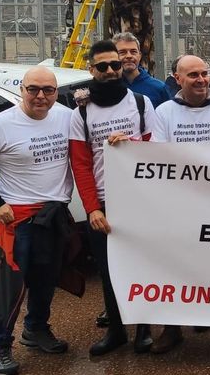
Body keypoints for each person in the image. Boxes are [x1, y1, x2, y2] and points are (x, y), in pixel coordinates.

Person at [0, 66, 73, 375]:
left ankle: (36, 329)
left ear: (56, 92)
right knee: (7, 286)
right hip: (17, 218)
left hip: (52, 215)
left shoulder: (65, 116)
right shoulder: (1, 125)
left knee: (46, 279)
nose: (41, 96)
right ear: (22, 90)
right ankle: (0, 345)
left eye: (48, 90)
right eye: (33, 89)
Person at [69, 39, 164, 356]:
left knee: (141, 265)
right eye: (103, 66)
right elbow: (80, 165)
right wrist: (92, 208)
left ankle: (144, 330)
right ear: (91, 69)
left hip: (140, 199)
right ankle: (116, 331)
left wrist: (132, 143)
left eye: (115, 64)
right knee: (109, 271)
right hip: (104, 202)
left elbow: (156, 152)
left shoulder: (140, 103)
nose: (111, 70)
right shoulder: (80, 113)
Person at [150, 55, 210, 354]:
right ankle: (172, 327)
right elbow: (160, 158)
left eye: (204, 74)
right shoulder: (164, 112)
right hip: (179, 203)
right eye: (193, 75)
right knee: (174, 265)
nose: (202, 80)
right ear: (178, 79)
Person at [112, 31, 169, 108]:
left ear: (139, 56)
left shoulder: (159, 88)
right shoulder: (107, 88)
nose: (129, 56)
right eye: (122, 52)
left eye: (133, 52)